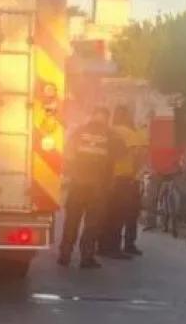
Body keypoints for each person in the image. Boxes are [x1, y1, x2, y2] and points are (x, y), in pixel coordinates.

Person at [58, 107, 118, 269]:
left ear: (92, 116)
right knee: (92, 224)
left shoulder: (79, 132)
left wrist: (71, 173)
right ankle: (86, 257)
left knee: (71, 221)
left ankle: (65, 254)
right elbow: (118, 156)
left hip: (77, 185)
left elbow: (68, 153)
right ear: (107, 118)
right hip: (98, 188)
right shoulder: (111, 135)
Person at [100, 105, 148, 258]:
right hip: (123, 180)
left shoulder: (108, 131)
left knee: (107, 215)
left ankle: (102, 246)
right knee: (120, 215)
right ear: (127, 116)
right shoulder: (129, 133)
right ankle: (115, 248)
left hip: (105, 179)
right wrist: (135, 174)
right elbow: (139, 154)